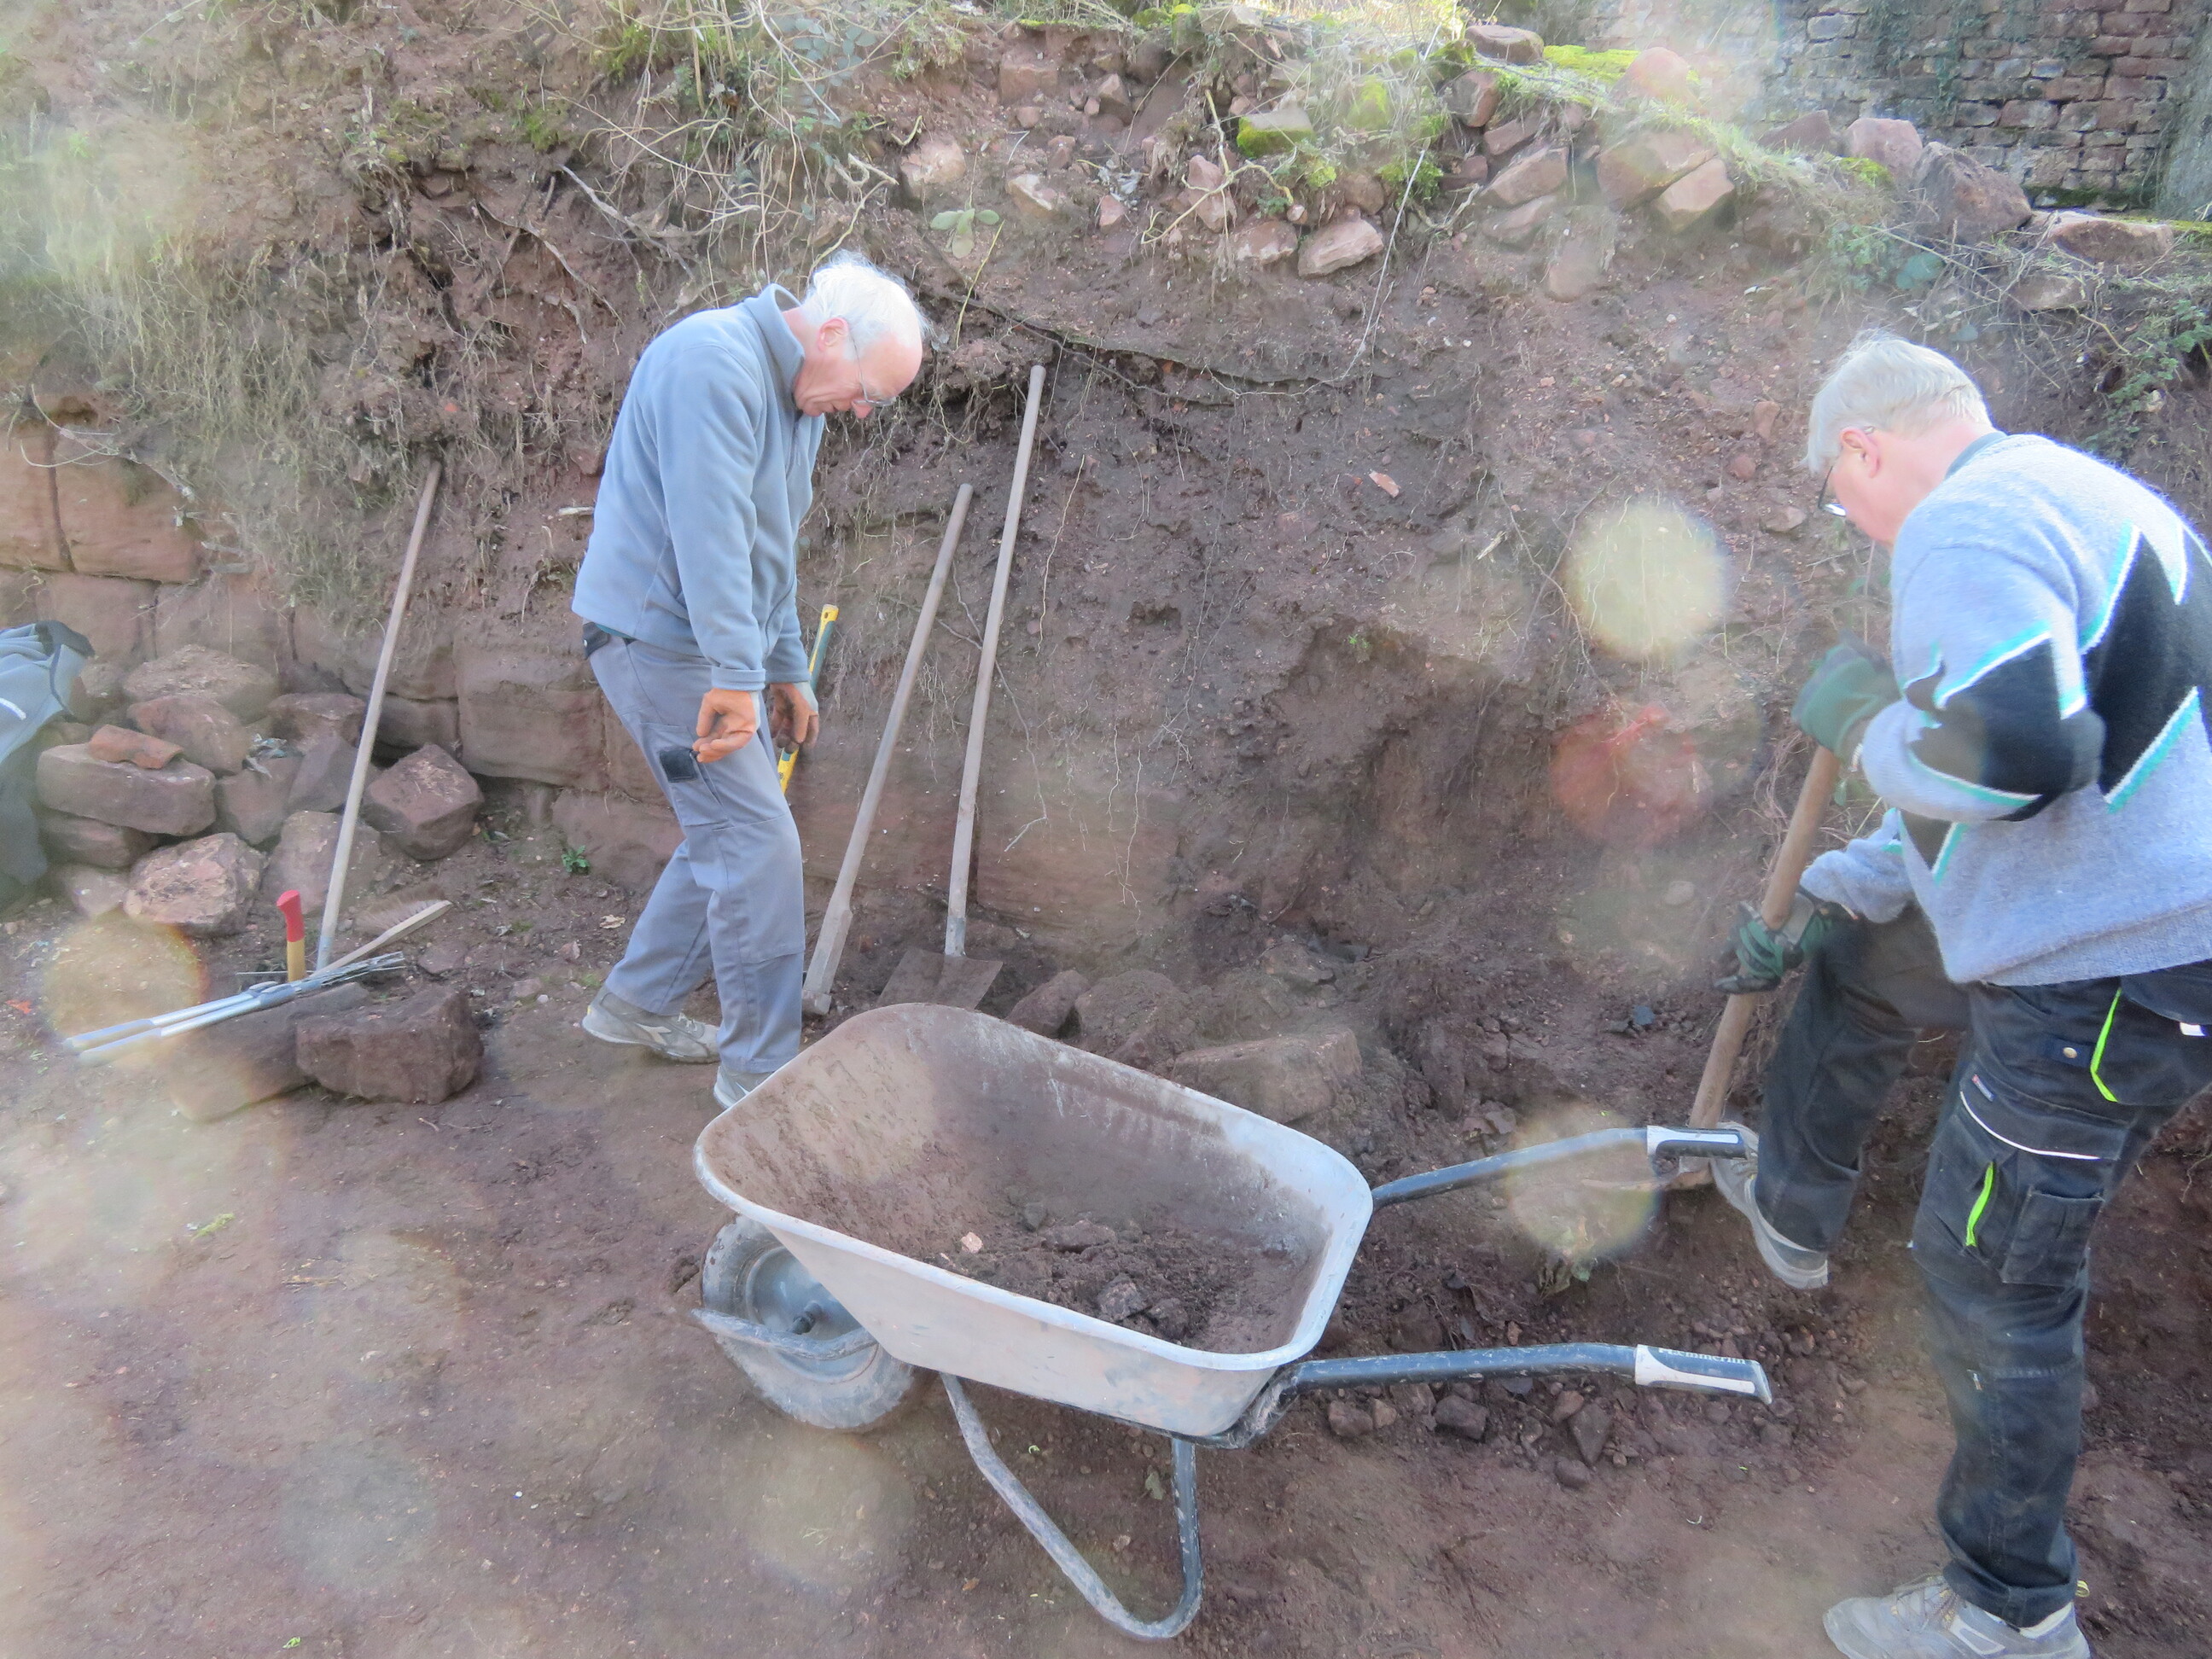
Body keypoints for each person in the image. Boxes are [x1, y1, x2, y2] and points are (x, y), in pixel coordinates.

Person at [1708, 334, 2212, 1659]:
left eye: (1839, 497)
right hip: (2130, 926)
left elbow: (2017, 760)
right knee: (1864, 960)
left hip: (2107, 969)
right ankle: (1789, 1207)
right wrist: (1844, 884)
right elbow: (2052, 750)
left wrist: (1867, 724)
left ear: (1863, 449)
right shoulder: (2081, 499)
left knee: (1991, 1276)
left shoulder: (1962, 521)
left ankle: (2008, 1609)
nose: (1855, 524)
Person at [571, 253, 927, 1109]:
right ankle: (760, 1076)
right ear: (830, 334)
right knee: (758, 847)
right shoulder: (712, 361)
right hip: (656, 641)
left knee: (730, 833)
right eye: (867, 393)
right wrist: (737, 674)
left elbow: (771, 549)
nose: (862, 411)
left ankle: (635, 1005)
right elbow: (711, 536)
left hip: (707, 649)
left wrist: (785, 666)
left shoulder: (798, 402)